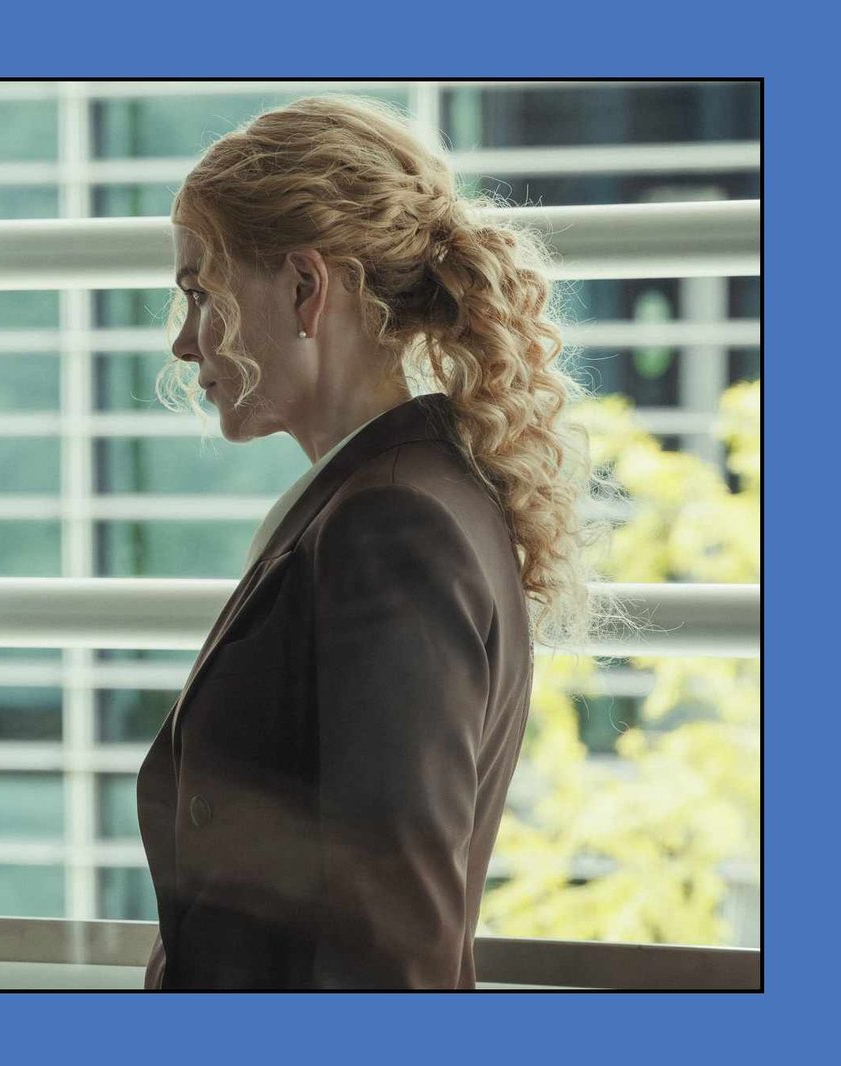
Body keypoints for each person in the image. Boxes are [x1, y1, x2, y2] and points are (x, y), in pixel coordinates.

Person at [136, 96, 610, 988]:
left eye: (200, 292)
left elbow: (393, 950)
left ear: (305, 288)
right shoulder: (395, 495)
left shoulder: (392, 526)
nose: (185, 341)